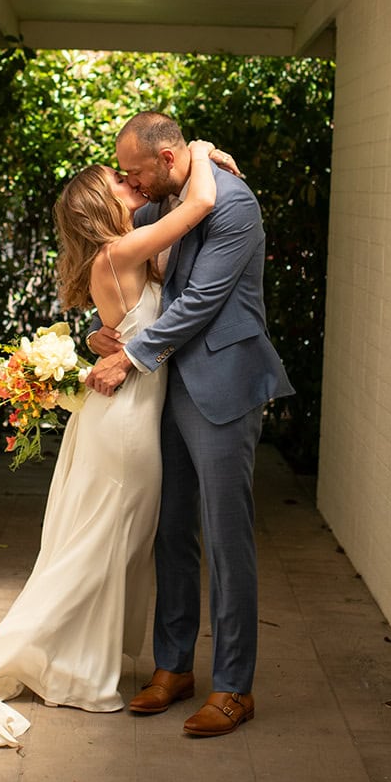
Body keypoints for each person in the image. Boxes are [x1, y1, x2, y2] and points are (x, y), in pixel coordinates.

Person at [0, 139, 224, 747]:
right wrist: (204, 151)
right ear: (98, 207)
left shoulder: (118, 256)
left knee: (110, 540)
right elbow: (201, 202)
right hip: (127, 423)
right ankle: (50, 658)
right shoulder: (120, 251)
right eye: (119, 182)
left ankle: (84, 665)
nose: (130, 183)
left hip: (126, 415)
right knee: (104, 543)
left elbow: (151, 303)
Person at [86, 112, 292, 737]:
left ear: (168, 158)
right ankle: (172, 667)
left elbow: (201, 300)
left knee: (228, 541)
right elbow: (124, 263)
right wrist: (106, 333)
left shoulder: (234, 204)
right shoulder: (167, 200)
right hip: (169, 390)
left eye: (136, 171)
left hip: (224, 388)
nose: (132, 182)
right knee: (170, 531)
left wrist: (132, 356)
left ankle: (233, 687)